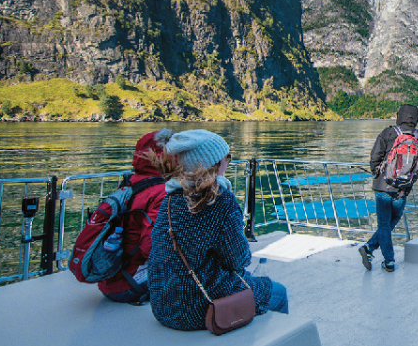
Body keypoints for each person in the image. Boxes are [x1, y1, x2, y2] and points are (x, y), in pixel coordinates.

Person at [147, 129, 288, 330]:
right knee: (277, 292)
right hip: (201, 308)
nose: (228, 163)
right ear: (213, 164)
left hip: (164, 306)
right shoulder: (220, 200)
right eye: (226, 158)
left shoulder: (170, 199)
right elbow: (238, 260)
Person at [98, 128, 175, 304]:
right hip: (131, 283)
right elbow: (152, 246)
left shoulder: (129, 184)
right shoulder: (161, 192)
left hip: (110, 278)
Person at [359, 104, 418, 273]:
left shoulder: (388, 132)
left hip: (383, 186)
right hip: (403, 188)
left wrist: (377, 172)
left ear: (399, 116)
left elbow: (375, 157)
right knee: (392, 220)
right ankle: (380, 254)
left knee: (384, 224)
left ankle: (378, 254)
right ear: (416, 118)